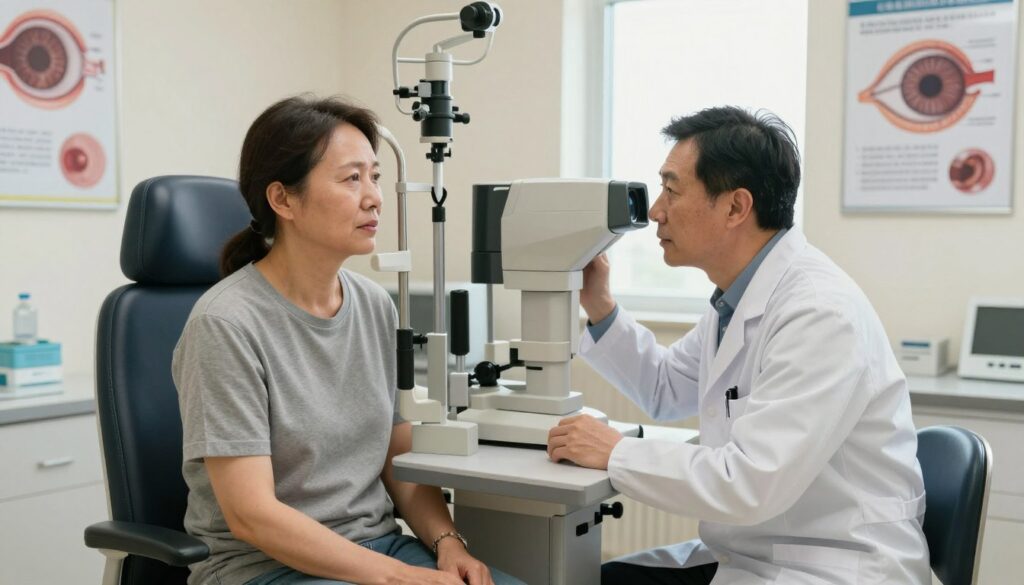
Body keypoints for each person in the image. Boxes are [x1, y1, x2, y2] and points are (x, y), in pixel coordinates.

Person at [546, 107, 930, 585]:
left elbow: (750, 483)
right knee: (588, 578)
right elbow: (666, 388)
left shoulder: (818, 313)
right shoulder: (739, 299)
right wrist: (600, 305)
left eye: (672, 190)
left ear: (735, 208)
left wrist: (616, 452)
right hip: (756, 552)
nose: (655, 211)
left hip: (833, 563)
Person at [172, 95, 522, 585]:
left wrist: (447, 542)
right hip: (264, 569)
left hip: (376, 549)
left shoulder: (375, 305)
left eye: (374, 176)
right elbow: (252, 516)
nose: (375, 197)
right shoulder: (226, 324)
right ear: (283, 200)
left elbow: (394, 454)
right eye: (351, 178)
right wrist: (402, 579)